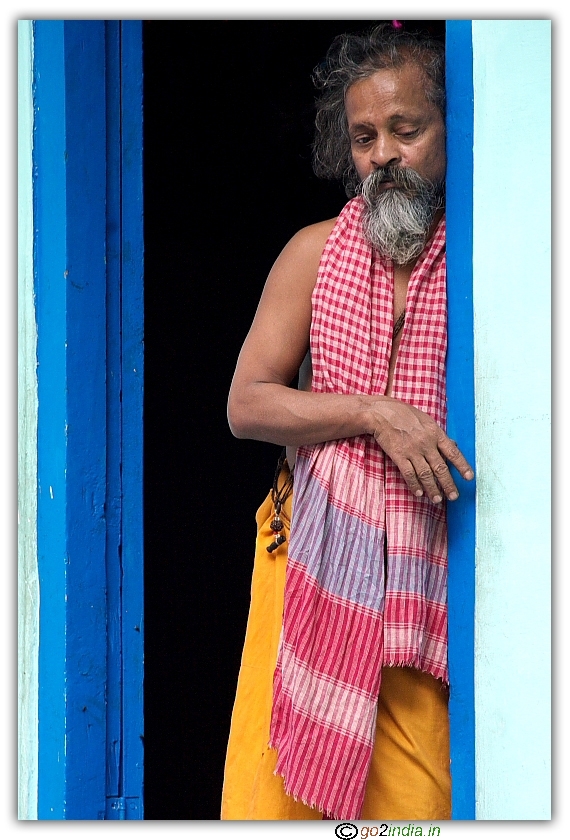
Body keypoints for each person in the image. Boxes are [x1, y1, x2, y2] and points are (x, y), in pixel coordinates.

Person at [221, 22, 474, 822]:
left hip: (427, 590)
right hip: (310, 576)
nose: (383, 156)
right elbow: (247, 403)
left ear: (450, 129)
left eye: (407, 129)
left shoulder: (485, 262)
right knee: (278, 807)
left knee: (419, 811)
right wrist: (375, 415)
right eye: (364, 136)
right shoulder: (312, 253)